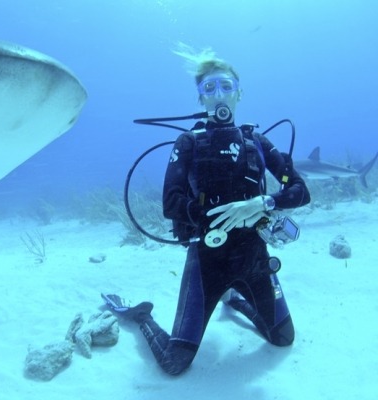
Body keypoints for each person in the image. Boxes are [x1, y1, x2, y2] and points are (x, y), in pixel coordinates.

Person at [102, 54, 311, 376]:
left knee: (283, 339)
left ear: (239, 93)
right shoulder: (189, 142)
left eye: (226, 86)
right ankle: (142, 316)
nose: (219, 94)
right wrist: (213, 217)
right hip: (207, 259)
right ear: (200, 97)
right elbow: (171, 202)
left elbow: (300, 190)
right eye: (209, 88)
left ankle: (235, 299)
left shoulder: (257, 141)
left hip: (254, 256)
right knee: (174, 363)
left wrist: (262, 203)